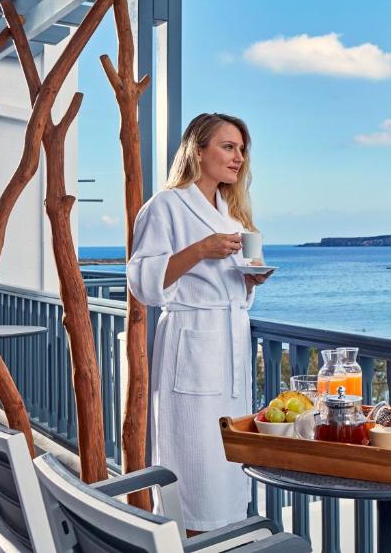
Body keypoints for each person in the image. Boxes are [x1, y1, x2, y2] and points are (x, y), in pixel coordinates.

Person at [127, 113, 272, 532]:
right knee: (194, 458)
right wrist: (199, 250)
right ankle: (186, 535)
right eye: (228, 147)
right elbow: (142, 282)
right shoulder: (166, 206)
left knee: (226, 462)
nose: (239, 157)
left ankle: (223, 535)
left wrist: (250, 278)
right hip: (191, 344)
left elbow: (234, 285)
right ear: (198, 150)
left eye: (242, 149)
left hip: (230, 347)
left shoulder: (232, 214)